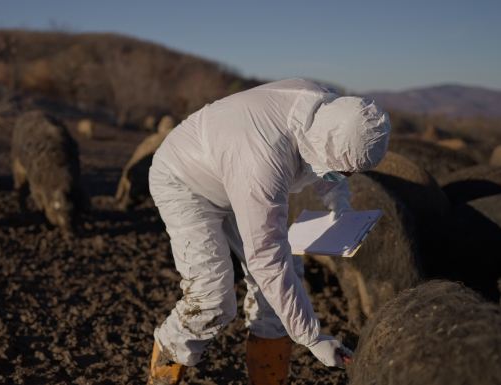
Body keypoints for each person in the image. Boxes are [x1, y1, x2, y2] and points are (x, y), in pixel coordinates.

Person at [146, 78, 391, 384]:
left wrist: (338, 204)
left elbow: (331, 160)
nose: (346, 176)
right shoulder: (264, 160)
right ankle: (163, 371)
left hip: (233, 172)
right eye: (344, 172)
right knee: (211, 298)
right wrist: (311, 338)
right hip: (186, 181)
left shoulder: (328, 113)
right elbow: (267, 259)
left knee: (282, 291)